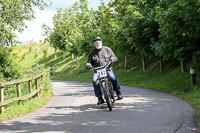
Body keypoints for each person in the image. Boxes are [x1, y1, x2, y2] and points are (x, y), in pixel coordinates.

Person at [85, 36, 123, 105]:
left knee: (112, 78)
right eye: (96, 43)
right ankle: (100, 98)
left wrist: (113, 59)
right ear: (94, 44)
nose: (97, 44)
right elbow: (89, 62)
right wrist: (88, 65)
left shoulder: (107, 49)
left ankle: (118, 92)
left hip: (107, 68)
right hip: (97, 70)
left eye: (99, 42)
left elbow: (114, 57)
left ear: (101, 42)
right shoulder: (92, 52)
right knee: (94, 81)